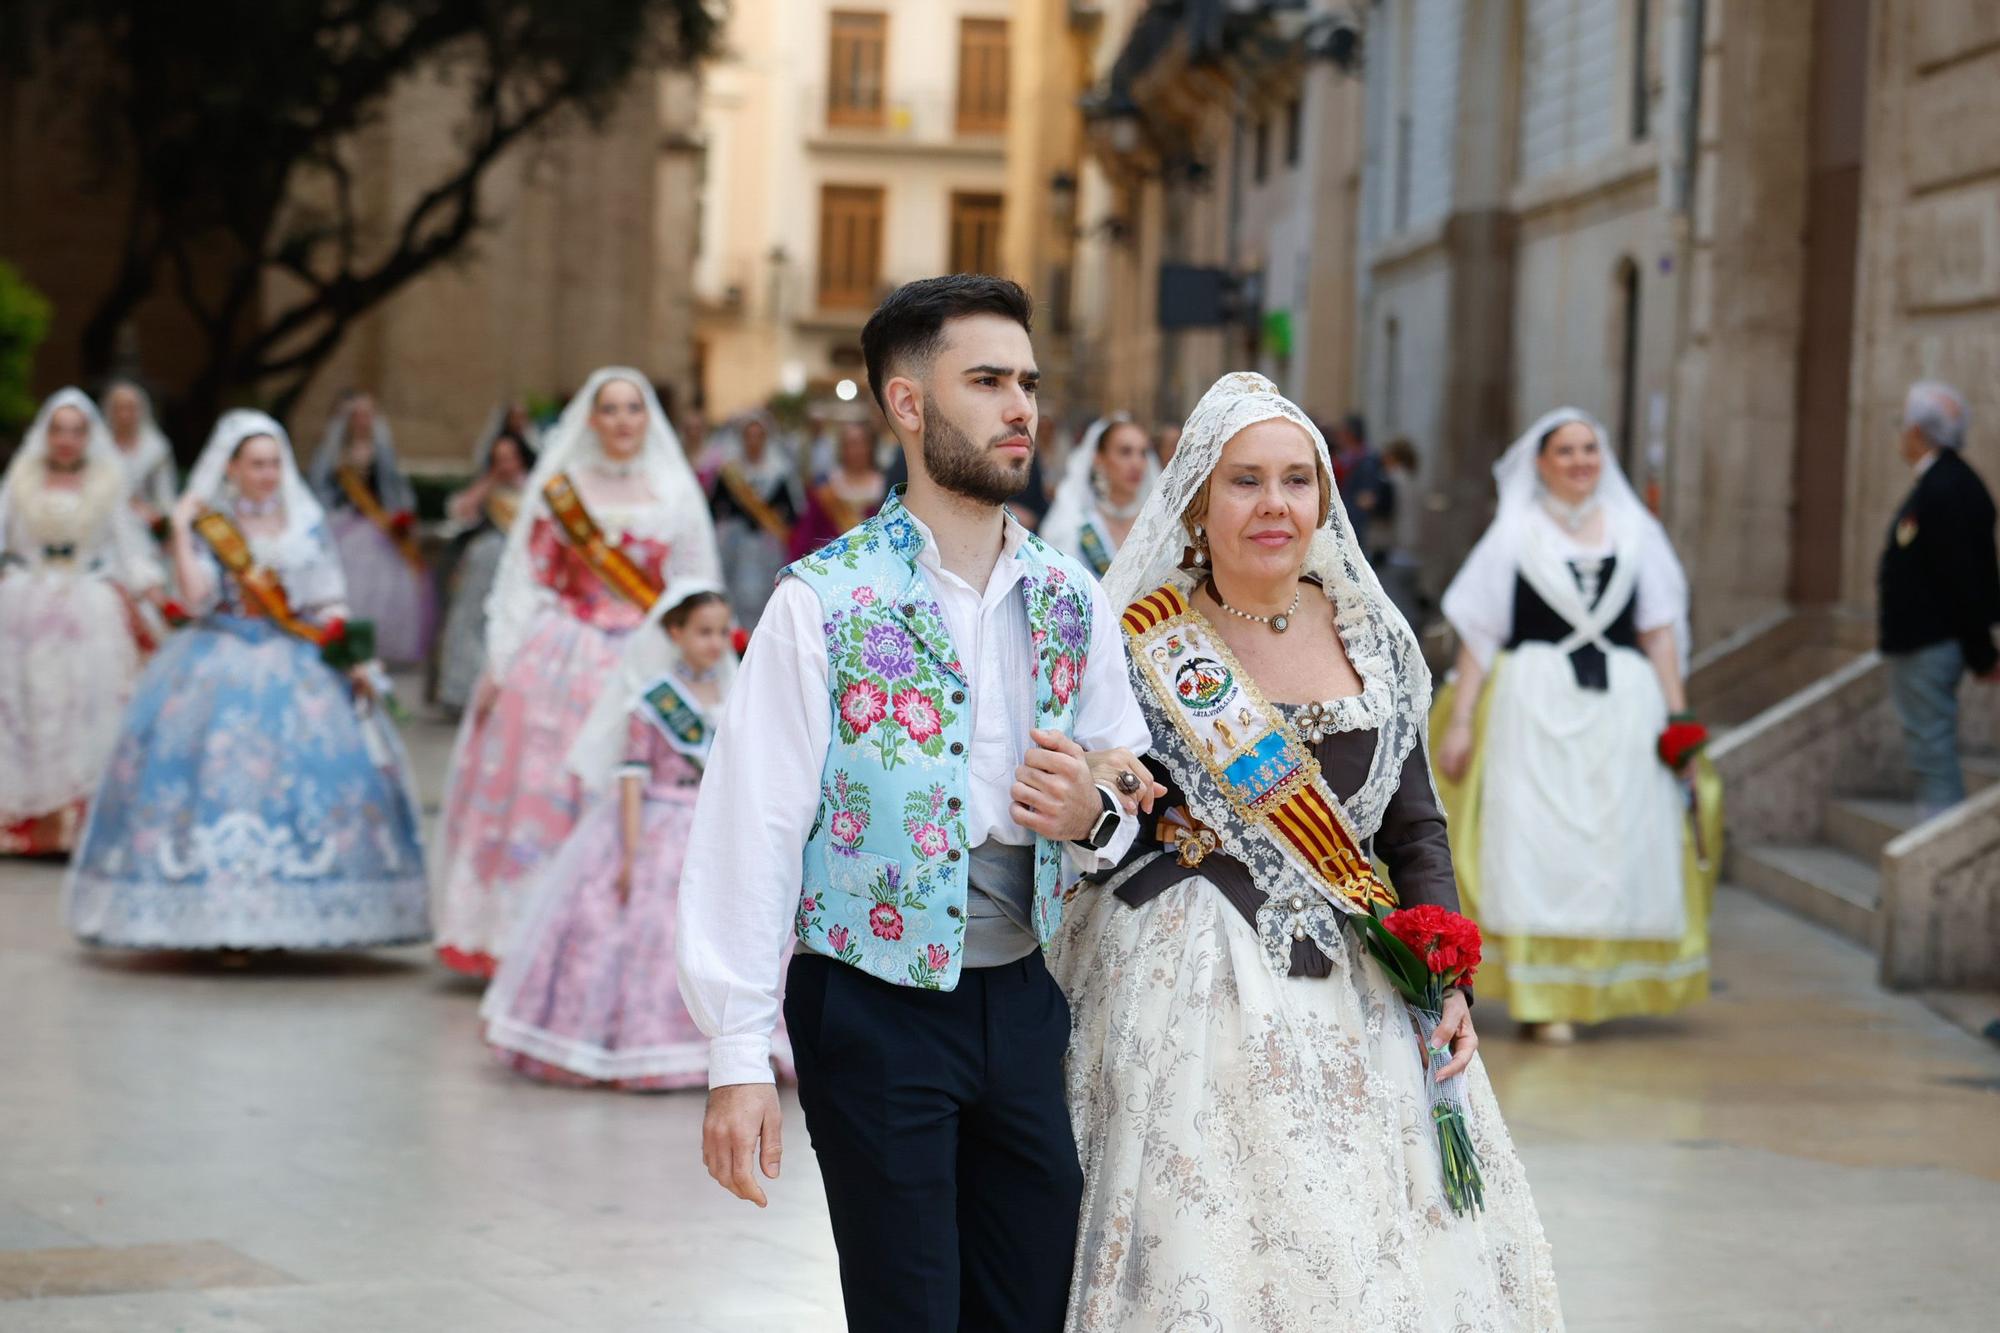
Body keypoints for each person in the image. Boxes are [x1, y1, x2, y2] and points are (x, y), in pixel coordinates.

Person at [677, 275, 1152, 1333]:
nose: (1019, 406)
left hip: (1023, 1000)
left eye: (1025, 382)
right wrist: (734, 1060)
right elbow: (750, 831)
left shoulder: (1073, 597)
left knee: (1028, 1300)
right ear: (905, 404)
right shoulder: (820, 600)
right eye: (985, 380)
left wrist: (1094, 814)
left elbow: (1127, 783)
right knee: (909, 1310)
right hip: (871, 1004)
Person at [1054, 371, 1561, 1329]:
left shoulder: (1372, 633)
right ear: (1199, 500)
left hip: (1359, 983)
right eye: (1245, 481)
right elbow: (1105, 821)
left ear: (1326, 496)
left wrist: (1449, 981)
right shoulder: (1138, 637)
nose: (1274, 504)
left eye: (1296, 479)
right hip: (1185, 989)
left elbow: (1413, 827)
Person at [64, 410, 428, 949]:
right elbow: (195, 598)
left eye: (275, 463)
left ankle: (298, 915)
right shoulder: (216, 525)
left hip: (295, 660)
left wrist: (354, 657)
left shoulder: (304, 522)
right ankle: (215, 917)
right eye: (256, 464)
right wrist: (185, 530)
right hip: (217, 656)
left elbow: (327, 597)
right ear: (230, 468)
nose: (267, 474)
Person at [1434, 408, 1718, 1041]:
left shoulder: (1635, 533)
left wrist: (1679, 717)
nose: (1580, 460)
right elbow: (1480, 635)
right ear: (1541, 463)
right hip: (1533, 705)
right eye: (1565, 451)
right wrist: (1461, 721)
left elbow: (1659, 631)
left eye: (1589, 448)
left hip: (1622, 708)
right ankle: (1542, 996)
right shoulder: (1515, 533)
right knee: (1535, 843)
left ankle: (1595, 983)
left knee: (1612, 845)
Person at [433, 369, 719, 978]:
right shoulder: (562, 491)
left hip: (645, 659)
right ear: (590, 420)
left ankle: (625, 940)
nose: (621, 421)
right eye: (609, 409)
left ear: (649, 419)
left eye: (633, 409)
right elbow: (525, 579)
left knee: (636, 790)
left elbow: (694, 586)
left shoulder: (674, 493)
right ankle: (526, 937)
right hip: (561, 659)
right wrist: (501, 660)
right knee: (549, 789)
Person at [482, 579, 793, 1089]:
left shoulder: (737, 692)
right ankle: (648, 1047)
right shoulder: (652, 701)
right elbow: (631, 778)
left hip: (718, 825)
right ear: (674, 633)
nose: (715, 643)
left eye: (721, 632)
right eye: (702, 632)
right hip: (661, 827)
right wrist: (628, 853)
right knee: (649, 934)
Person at [0, 389, 163, 855]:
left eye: (76, 431)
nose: (67, 440)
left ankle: (78, 824)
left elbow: (130, 548)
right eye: (58, 429)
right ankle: (31, 825)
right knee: (28, 708)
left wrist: (155, 594)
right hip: (24, 602)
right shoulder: (21, 478)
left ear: (89, 436)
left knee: (86, 709)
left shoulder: (108, 482)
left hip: (87, 603)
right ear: (45, 434)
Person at [1879, 381, 2000, 817]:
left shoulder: (1948, 487)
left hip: (1932, 643)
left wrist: (1982, 653)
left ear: (1916, 432)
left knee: (1932, 758)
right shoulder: (1941, 483)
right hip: (1924, 641)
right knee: (1927, 755)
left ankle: (1930, 870)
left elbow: (1963, 579)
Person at [310, 393, 433, 666]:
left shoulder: (381, 450)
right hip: (345, 522)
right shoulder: (337, 452)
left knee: (383, 588)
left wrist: (401, 517)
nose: (364, 420)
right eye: (358, 414)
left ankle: (379, 645)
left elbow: (394, 486)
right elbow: (322, 486)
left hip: (378, 526)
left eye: (368, 414)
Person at [434, 429, 536, 714]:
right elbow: (460, 511)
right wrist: (489, 479)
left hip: (522, 566)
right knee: (469, 623)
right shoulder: (489, 486)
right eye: (498, 459)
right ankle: (464, 689)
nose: (505, 465)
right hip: (486, 562)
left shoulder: (535, 484)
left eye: (510, 458)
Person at [707, 411, 800, 629]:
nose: (753, 442)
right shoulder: (730, 472)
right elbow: (713, 508)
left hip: (768, 548)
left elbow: (793, 513)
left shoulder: (780, 472)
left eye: (759, 436)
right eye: (749, 436)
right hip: (735, 547)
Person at [1038, 413, 1158, 579]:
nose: (1136, 463)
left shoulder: (1156, 527)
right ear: (1099, 459)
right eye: (1125, 452)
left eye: (1143, 453)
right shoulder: (1074, 526)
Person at [788, 419, 886, 558]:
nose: (856, 450)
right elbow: (806, 534)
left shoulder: (885, 484)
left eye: (861, 443)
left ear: (871, 446)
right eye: (850, 444)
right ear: (842, 448)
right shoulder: (826, 487)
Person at [100, 379, 178, 531]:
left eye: (131, 408)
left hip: (144, 525)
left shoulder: (157, 448)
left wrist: (156, 515)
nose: (124, 415)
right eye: (119, 408)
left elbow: (165, 497)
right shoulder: (98, 445)